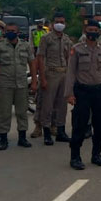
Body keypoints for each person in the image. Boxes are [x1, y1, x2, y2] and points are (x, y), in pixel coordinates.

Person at [65, 20, 101, 170]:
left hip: (99, 91)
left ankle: (96, 154)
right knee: (79, 125)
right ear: (85, 31)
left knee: (100, 125)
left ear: (99, 32)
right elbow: (71, 72)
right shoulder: (77, 49)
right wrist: (69, 94)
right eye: (90, 29)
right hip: (82, 92)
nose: (92, 32)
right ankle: (75, 157)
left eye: (95, 29)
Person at [0, 23, 38, 150]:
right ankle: (3, 139)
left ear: (18, 32)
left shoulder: (25, 46)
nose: (10, 32)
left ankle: (22, 138)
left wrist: (34, 82)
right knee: (4, 113)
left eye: (13, 30)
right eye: (8, 30)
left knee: (22, 112)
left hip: (22, 84)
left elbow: (32, 64)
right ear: (5, 32)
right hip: (5, 84)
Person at [37, 12, 73, 145]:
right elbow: (40, 57)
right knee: (48, 104)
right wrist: (42, 78)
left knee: (62, 105)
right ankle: (46, 131)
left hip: (64, 73)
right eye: (57, 22)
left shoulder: (67, 39)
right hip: (50, 73)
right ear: (52, 24)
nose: (60, 24)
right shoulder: (46, 38)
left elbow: (69, 58)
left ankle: (60, 131)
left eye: (62, 22)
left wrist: (71, 77)